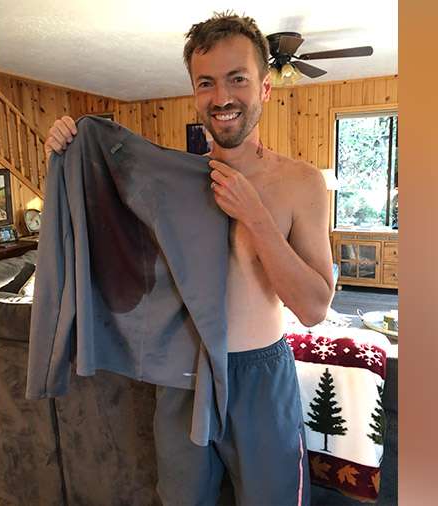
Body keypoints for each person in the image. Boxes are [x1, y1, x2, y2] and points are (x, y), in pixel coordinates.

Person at [43, 12, 334, 506]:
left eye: (237, 79)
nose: (222, 97)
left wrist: (255, 217)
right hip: (184, 371)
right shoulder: (169, 188)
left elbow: (313, 308)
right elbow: (105, 243)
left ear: (264, 88)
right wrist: (66, 155)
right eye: (206, 83)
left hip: (260, 375)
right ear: (195, 94)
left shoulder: (301, 184)